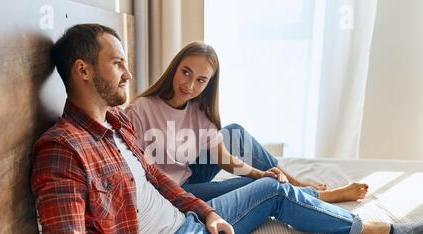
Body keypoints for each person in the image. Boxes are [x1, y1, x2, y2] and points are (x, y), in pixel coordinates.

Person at [31, 24, 423, 234]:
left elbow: (153, 177)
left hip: (189, 220)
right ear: (82, 70)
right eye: (117, 63)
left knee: (272, 186)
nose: (128, 73)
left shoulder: (115, 122)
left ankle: (377, 230)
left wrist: (206, 212)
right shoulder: (63, 148)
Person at [124, 41, 368, 203]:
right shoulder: (141, 109)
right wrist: (258, 180)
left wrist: (261, 173)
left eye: (200, 80)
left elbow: (224, 159)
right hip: (165, 193)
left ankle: (293, 183)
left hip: (188, 177)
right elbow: (130, 167)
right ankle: (310, 195)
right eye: (185, 72)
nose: (189, 85)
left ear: (209, 84)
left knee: (235, 134)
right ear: (175, 67)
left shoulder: (198, 112)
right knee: (252, 188)